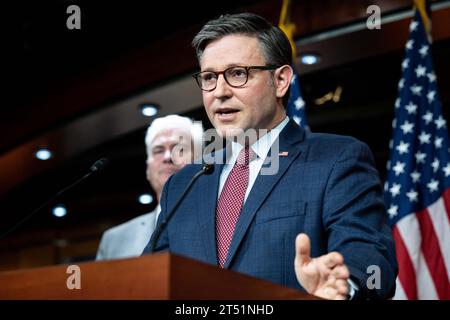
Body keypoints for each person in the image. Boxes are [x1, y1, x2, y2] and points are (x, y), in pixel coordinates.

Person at [143, 13, 397, 299]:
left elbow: (370, 255)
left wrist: (342, 285)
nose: (220, 92)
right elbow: (147, 278)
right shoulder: (184, 183)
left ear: (281, 80)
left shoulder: (337, 159)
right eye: (209, 77)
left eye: (238, 74)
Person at [96, 115, 203, 260]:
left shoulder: (223, 225)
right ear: (148, 169)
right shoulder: (114, 240)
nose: (167, 157)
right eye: (158, 150)